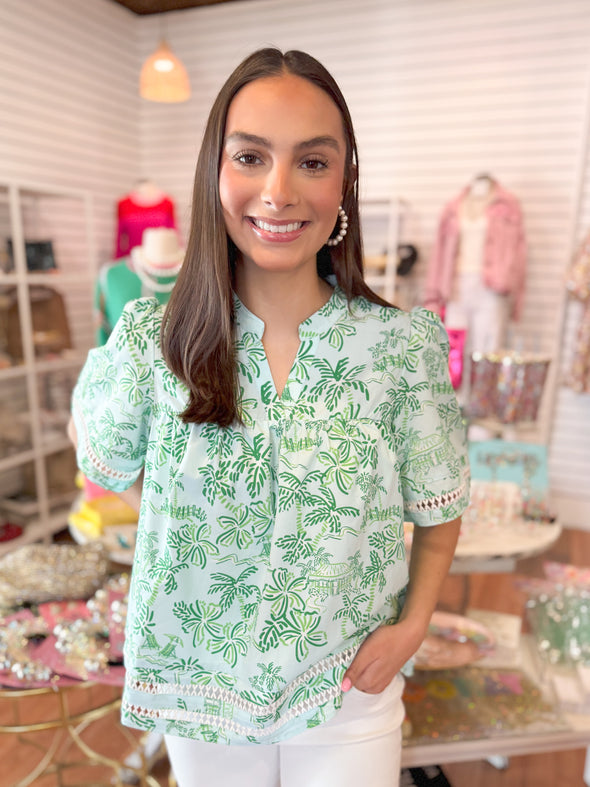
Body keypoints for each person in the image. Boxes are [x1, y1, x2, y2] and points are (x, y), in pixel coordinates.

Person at [68, 48, 469, 787]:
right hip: (201, 687)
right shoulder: (150, 341)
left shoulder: (397, 347)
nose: (278, 191)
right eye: (251, 156)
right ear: (214, 172)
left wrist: (412, 625)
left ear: (343, 181)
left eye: (312, 162)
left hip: (347, 685)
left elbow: (440, 508)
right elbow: (106, 464)